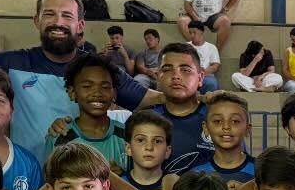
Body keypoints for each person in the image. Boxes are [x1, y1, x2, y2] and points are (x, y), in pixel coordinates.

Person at [0, 0, 149, 159]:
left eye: (67, 16)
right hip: (26, 178)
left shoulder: (97, 69)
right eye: (49, 14)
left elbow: (151, 99)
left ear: (80, 25)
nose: (58, 22)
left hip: (78, 178)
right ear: (37, 20)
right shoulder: (10, 63)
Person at [45, 54, 130, 176]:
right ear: (72, 92)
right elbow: (50, 186)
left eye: (105, 87)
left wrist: (123, 177)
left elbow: (139, 182)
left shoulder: (127, 135)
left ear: (114, 94)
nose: (97, 93)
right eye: (87, 86)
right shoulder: (60, 137)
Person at [147, 42, 216, 173]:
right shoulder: (145, 120)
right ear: (157, 77)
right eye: (167, 69)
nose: (176, 76)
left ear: (200, 77)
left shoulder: (217, 119)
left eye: (185, 70)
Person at [188, 21, 221, 92]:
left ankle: (205, 103)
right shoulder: (186, 46)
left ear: (202, 32)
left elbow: (216, 65)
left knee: (212, 84)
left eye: (194, 32)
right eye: (190, 33)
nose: (192, 35)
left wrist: (203, 72)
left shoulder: (211, 47)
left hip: (206, 76)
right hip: (189, 75)